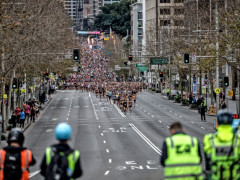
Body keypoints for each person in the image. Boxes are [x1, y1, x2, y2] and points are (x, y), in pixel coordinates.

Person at [203, 110, 240, 180]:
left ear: (218, 123)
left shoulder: (209, 139)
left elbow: (208, 163)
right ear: (232, 122)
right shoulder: (238, 140)